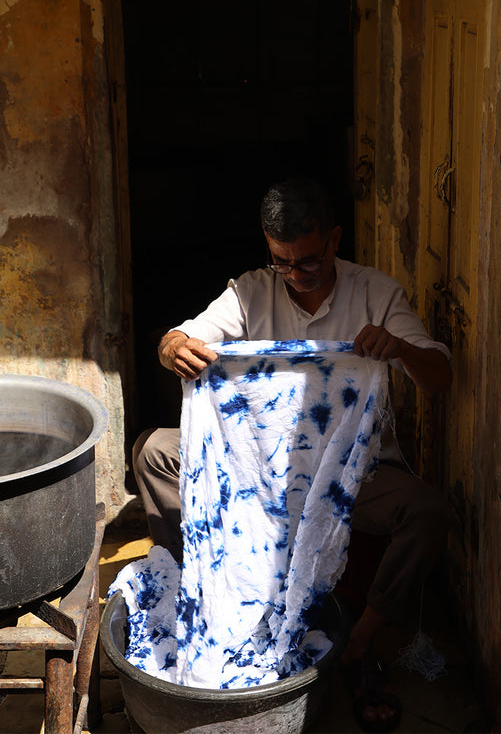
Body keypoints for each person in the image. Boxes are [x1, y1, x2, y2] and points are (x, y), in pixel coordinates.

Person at [133, 178, 452, 732]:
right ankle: (207, 590)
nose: (294, 275)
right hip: (256, 467)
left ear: (333, 240)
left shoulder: (376, 291)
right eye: (281, 262)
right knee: (154, 452)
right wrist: (173, 348)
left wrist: (397, 348)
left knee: (427, 514)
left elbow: (440, 376)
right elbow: (178, 338)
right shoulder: (250, 291)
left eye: (307, 262)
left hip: (351, 470)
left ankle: (359, 642)